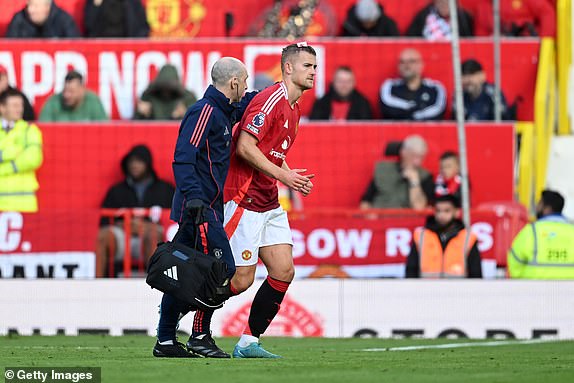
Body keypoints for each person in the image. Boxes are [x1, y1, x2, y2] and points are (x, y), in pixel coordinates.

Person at [154, 57, 254, 359]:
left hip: (206, 207)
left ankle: (166, 341)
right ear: (234, 82)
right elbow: (183, 158)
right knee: (221, 271)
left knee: (180, 273)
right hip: (198, 209)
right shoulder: (204, 112)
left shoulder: (222, 111)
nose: (247, 86)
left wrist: (278, 90)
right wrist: (196, 199)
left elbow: (247, 102)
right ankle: (198, 336)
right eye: (245, 81)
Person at [222, 42, 317, 358]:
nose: (313, 72)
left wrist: (290, 176)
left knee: (283, 271)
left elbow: (273, 151)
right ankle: (180, 309)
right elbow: (245, 148)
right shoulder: (271, 100)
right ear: (288, 68)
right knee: (240, 280)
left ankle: (249, 342)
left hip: (269, 201)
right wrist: (284, 177)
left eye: (315, 67)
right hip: (245, 197)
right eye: (307, 66)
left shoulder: (295, 106)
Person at [96, 145, 174, 278]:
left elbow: (174, 222)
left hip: (153, 239)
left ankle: (155, 284)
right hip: (123, 238)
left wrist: (148, 227)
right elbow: (103, 221)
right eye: (131, 162)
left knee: (152, 235)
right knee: (103, 236)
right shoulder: (117, 190)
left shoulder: (165, 189)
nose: (134, 165)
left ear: (147, 163)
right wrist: (124, 225)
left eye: (139, 161)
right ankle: (96, 285)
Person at [406, 194, 482, 278]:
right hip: (427, 289)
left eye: (447, 211)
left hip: (458, 289)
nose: (441, 215)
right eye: (438, 211)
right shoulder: (421, 236)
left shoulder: (468, 238)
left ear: (456, 212)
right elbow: (411, 269)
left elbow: (476, 272)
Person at [508, 190, 574, 279]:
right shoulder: (572, 230)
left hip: (535, 289)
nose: (537, 207)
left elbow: (514, 261)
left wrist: (521, 281)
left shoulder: (531, 230)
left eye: (539, 204)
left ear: (547, 209)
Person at [360, 135, 434, 211]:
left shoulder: (425, 176)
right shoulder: (383, 170)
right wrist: (368, 215)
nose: (417, 162)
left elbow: (419, 207)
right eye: (414, 156)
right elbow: (366, 201)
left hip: (405, 220)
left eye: (421, 157)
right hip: (379, 217)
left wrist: (414, 181)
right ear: (403, 152)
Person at [0, 89, 43, 212]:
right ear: (2, 108)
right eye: (14, 105)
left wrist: (2, 168)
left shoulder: (29, 130)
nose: (19, 109)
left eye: (21, 105)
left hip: (24, 203)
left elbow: (33, 159)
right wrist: (10, 153)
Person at [379, 48, 446, 121]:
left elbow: (438, 110)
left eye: (411, 61)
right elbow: (388, 110)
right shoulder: (390, 86)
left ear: (421, 64)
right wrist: (418, 107)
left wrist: (412, 113)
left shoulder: (435, 88)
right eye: (402, 62)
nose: (406, 66)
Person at [39, 70, 108, 122]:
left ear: (82, 90)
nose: (66, 95)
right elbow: (43, 126)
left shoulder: (93, 101)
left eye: (71, 92)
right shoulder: (53, 102)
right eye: (65, 91)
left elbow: (104, 129)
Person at [5, 0, 80, 38]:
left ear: (47, 7)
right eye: (29, 5)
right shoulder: (19, 19)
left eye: (36, 6)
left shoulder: (64, 20)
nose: (30, 10)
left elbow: (75, 45)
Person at [406, 0, 473, 40]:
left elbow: (470, 40)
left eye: (447, 2)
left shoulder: (463, 17)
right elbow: (411, 37)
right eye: (441, 2)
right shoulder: (424, 14)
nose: (444, 5)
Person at [84, 0, 149, 38]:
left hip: (127, 46)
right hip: (101, 45)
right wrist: (96, 4)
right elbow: (89, 26)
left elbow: (142, 28)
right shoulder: (95, 2)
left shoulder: (132, 2)